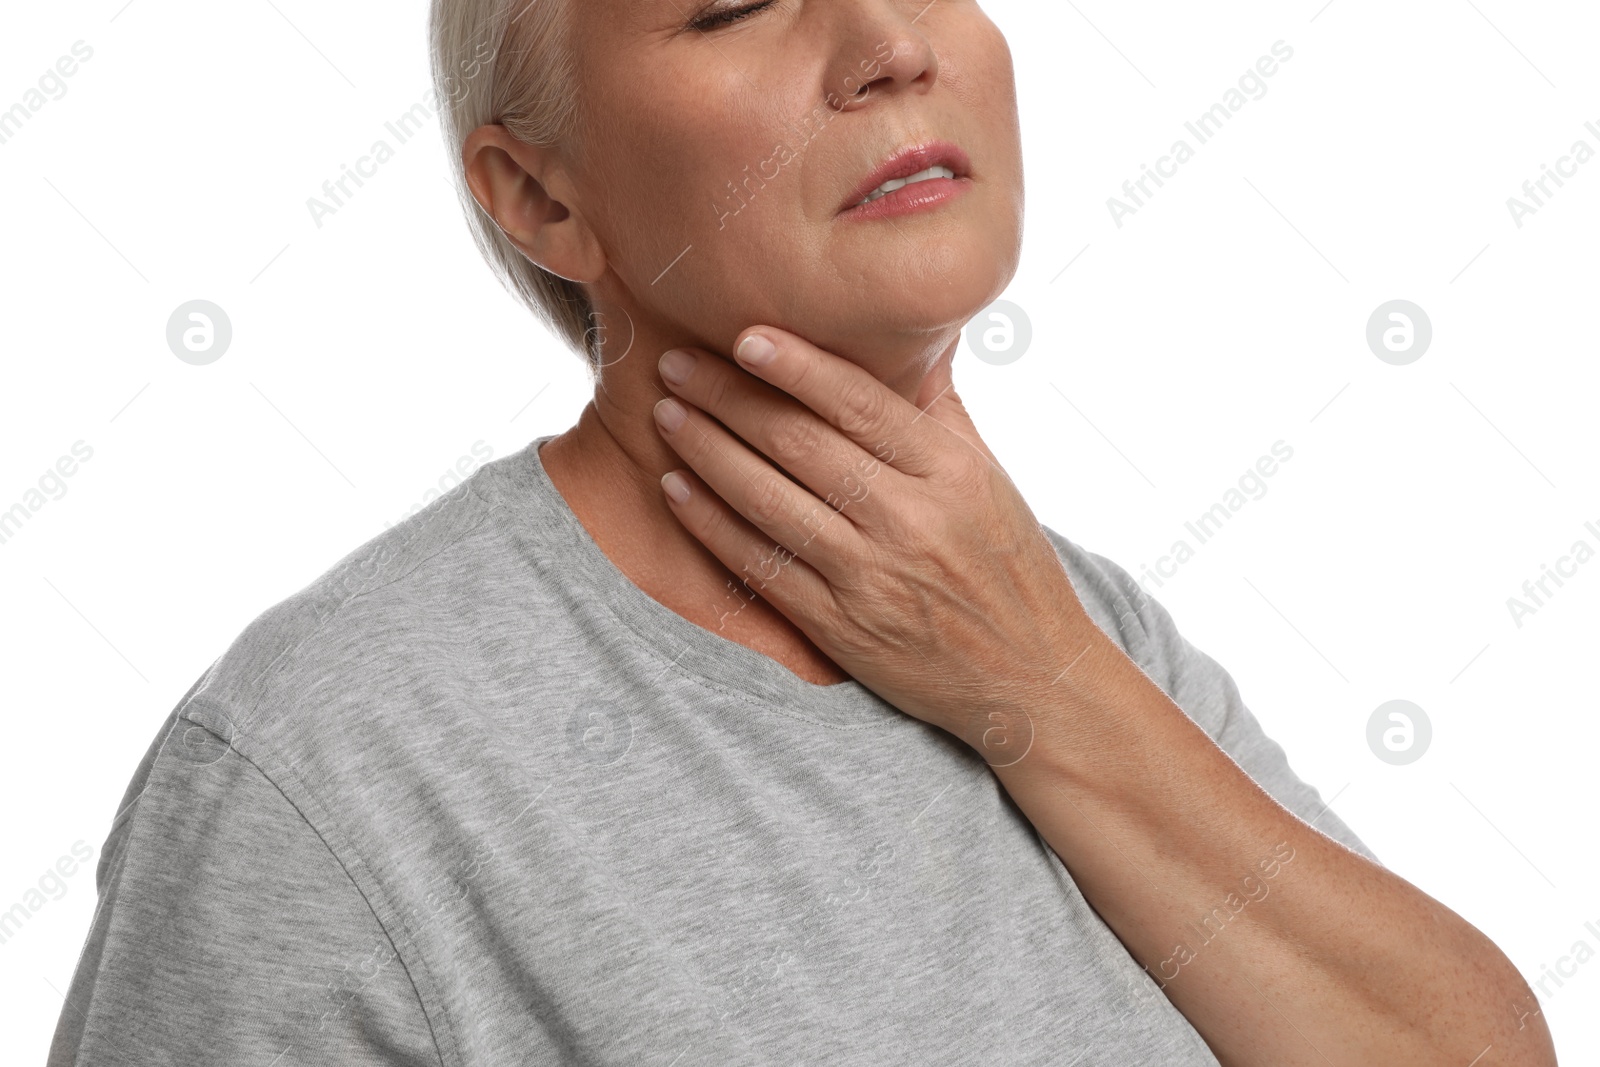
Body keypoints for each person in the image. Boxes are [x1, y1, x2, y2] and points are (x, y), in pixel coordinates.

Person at [47, 1, 1557, 1064]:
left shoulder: (1084, 629)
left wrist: (1035, 680)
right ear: (540, 197)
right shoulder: (330, 761)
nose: (892, 41)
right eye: (735, 3)